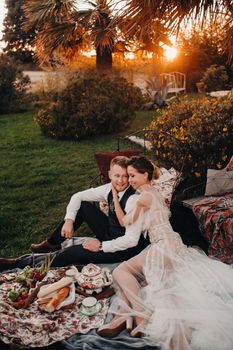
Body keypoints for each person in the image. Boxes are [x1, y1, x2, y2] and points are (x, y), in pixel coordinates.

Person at [97, 156, 233, 350]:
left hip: (163, 245)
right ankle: (123, 318)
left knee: (120, 272)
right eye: (129, 176)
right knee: (141, 281)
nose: (130, 180)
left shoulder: (144, 197)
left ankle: (140, 317)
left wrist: (114, 195)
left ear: (145, 175)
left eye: (133, 176)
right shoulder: (153, 193)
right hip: (171, 244)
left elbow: (123, 221)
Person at [0, 156, 149, 271]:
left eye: (125, 176)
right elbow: (78, 196)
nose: (121, 181)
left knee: (70, 253)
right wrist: (69, 220)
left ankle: (18, 263)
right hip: (111, 232)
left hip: (123, 249)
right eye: (117, 176)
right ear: (110, 174)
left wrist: (101, 246)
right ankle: (52, 243)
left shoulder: (133, 200)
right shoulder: (109, 188)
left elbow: (131, 240)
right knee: (83, 206)